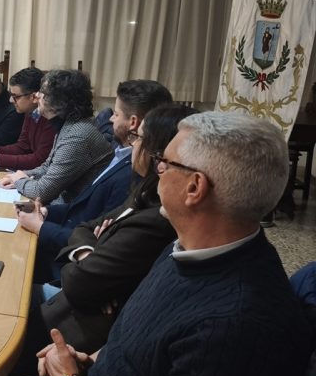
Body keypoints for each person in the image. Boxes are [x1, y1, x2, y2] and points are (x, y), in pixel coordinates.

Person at [0, 111, 312, 376]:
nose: (156, 170)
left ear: (194, 187)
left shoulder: (233, 323)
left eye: (165, 163)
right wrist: (87, 359)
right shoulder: (190, 246)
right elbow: (145, 343)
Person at [28, 105, 195, 362]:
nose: (132, 144)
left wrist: (93, 261)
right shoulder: (142, 192)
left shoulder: (156, 218)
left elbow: (82, 284)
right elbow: (85, 228)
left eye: (138, 138)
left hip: (79, 324)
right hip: (74, 300)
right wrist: (89, 253)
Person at [17, 79, 173, 276]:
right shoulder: (121, 153)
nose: (110, 119)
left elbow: (98, 241)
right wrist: (47, 212)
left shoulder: (135, 173)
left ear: (133, 123)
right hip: (67, 238)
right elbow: (84, 210)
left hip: (69, 263)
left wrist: (41, 226)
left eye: (116, 114)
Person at [0, 70, 111, 204]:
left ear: (59, 102)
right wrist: (21, 176)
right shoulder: (68, 124)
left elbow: (42, 192)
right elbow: (47, 167)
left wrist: (19, 180)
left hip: (71, 209)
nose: (37, 95)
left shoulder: (77, 135)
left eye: (42, 92)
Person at [0, 67, 56, 170]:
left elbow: (39, 160)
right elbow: (22, 147)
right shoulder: (30, 112)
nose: (11, 100)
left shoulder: (50, 119)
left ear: (34, 97)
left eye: (16, 96)